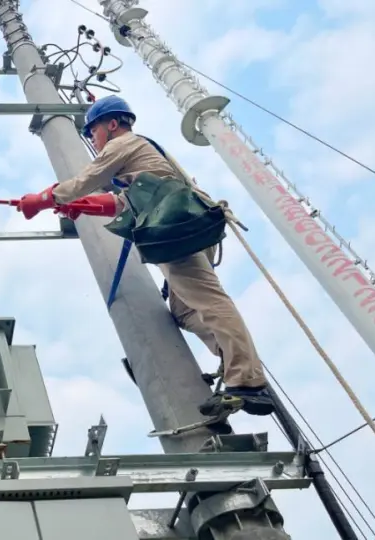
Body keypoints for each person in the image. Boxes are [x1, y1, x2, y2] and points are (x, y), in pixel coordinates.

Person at [15, 96, 274, 418]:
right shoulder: (140, 158)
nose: (92, 139)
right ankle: (233, 360)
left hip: (174, 228)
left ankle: (246, 380)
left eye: (92, 131)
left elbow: (85, 180)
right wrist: (84, 206)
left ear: (112, 124)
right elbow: (125, 202)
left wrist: (42, 199)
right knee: (185, 312)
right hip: (179, 224)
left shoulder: (122, 143)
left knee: (209, 301)